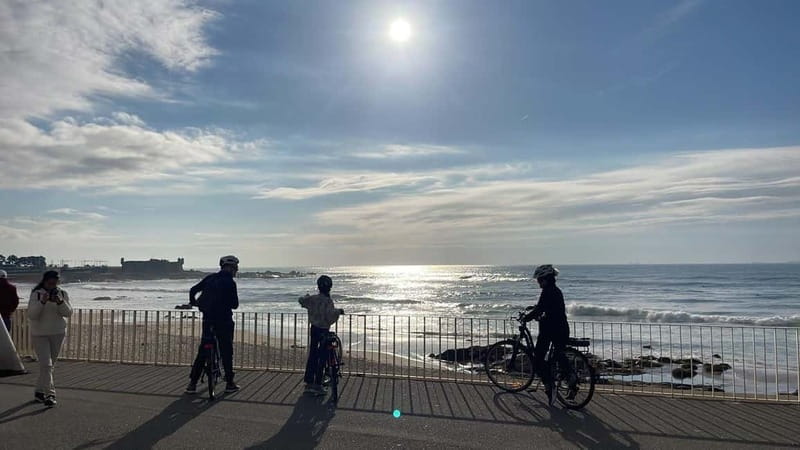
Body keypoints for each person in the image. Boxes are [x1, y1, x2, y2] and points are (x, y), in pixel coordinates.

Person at [185, 255, 241, 395]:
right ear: (232, 268)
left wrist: (194, 303)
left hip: (208, 319)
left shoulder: (210, 278)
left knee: (203, 351)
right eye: (236, 268)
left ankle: (192, 384)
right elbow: (235, 305)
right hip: (224, 320)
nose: (236, 271)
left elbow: (193, 290)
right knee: (226, 351)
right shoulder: (230, 282)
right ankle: (229, 383)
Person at [524, 264, 572, 407]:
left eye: (539, 279)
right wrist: (536, 311)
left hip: (550, 330)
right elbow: (545, 307)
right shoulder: (555, 291)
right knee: (558, 355)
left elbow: (541, 308)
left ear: (546, 279)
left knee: (538, 359)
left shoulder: (547, 291)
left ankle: (549, 387)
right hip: (562, 328)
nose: (538, 282)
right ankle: (571, 378)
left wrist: (527, 317)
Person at [27, 271, 72, 408]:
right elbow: (32, 315)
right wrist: (42, 302)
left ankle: (39, 392)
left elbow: (68, 313)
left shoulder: (62, 294)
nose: (52, 286)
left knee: (48, 366)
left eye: (55, 283)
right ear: (45, 281)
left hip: (58, 333)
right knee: (46, 365)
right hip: (39, 334)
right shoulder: (36, 294)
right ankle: (50, 394)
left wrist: (60, 302)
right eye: (49, 283)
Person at [299, 275, 344, 396]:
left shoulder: (313, 299)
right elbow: (329, 316)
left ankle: (309, 381)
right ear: (329, 287)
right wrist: (339, 311)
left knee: (313, 355)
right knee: (322, 357)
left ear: (318, 286)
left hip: (314, 329)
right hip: (324, 330)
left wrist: (306, 296)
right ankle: (318, 384)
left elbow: (301, 301)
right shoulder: (327, 301)